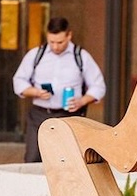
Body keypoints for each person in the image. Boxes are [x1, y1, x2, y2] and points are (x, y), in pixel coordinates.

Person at [12, 17, 107, 163]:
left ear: (69, 35)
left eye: (60, 42)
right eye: (52, 42)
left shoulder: (81, 56)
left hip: (69, 116)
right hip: (40, 115)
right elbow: (18, 81)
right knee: (33, 158)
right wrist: (35, 92)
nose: (55, 47)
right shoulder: (36, 55)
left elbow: (98, 86)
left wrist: (82, 101)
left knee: (67, 159)